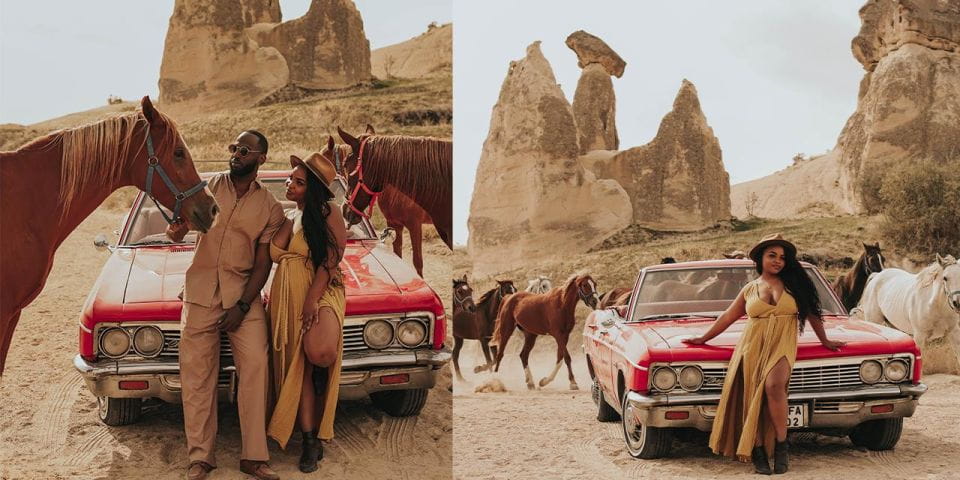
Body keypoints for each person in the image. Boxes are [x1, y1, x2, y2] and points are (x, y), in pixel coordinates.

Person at [168, 130, 285, 480]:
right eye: (234, 148)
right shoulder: (205, 188)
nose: (236, 153)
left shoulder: (271, 208)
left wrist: (244, 306)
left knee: (255, 372)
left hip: (242, 299)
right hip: (200, 292)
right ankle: (201, 458)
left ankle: (253, 457)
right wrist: (176, 231)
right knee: (197, 377)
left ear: (261, 158)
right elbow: (181, 229)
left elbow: (263, 263)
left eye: (245, 150)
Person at [682, 233, 845, 475]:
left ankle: (781, 446)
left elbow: (812, 314)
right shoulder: (749, 289)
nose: (778, 261)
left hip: (782, 343)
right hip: (752, 344)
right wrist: (703, 338)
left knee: (774, 386)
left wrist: (825, 340)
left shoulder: (794, 285)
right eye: (772, 256)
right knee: (751, 397)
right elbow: (727, 316)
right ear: (760, 258)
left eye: (782, 257)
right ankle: (757, 449)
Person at [265, 153, 347, 473]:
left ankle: (321, 393)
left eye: (298, 183)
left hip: (320, 291)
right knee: (297, 368)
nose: (289, 184)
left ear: (312, 190)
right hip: (287, 297)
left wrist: (312, 300)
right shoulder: (290, 218)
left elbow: (329, 262)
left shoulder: (330, 212)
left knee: (320, 354)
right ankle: (309, 441)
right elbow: (273, 252)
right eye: (290, 179)